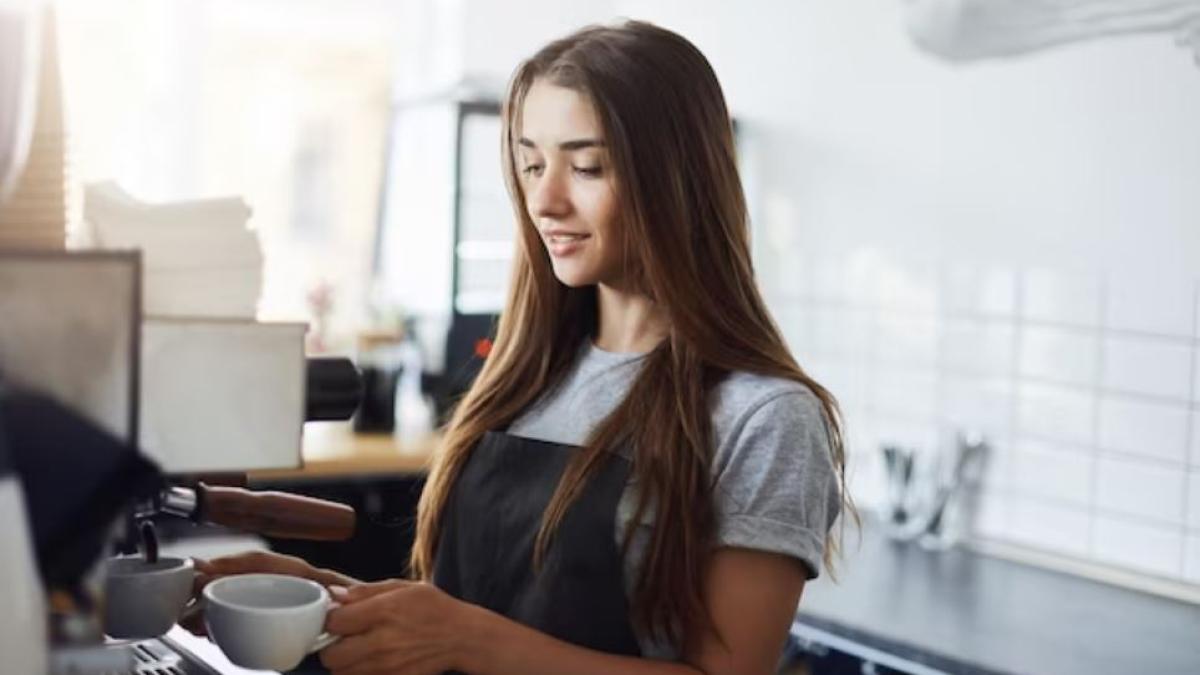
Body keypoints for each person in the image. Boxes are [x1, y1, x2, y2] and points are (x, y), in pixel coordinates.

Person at [195, 19, 851, 675]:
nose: (544, 199)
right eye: (532, 163)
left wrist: (467, 640)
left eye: (587, 166)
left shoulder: (765, 419)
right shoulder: (526, 379)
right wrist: (316, 597)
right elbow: (462, 616)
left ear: (678, 177)